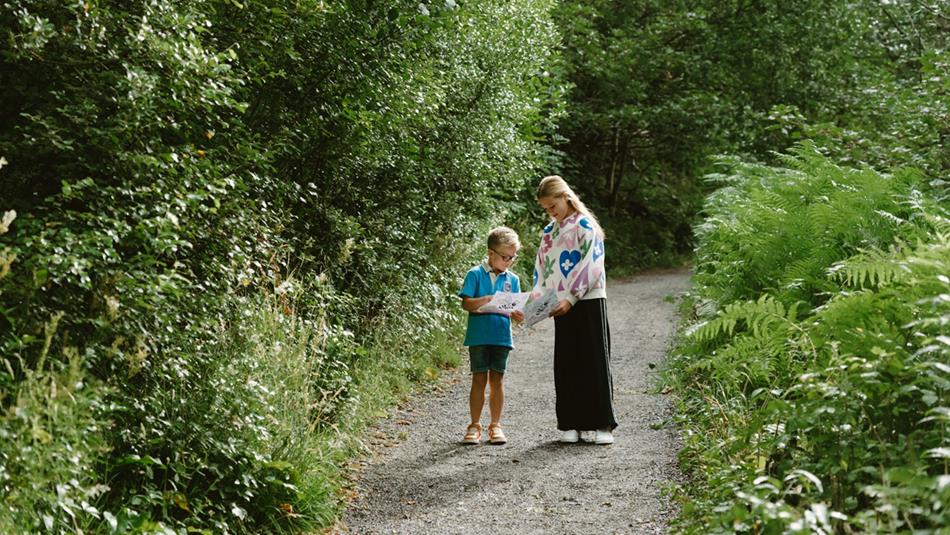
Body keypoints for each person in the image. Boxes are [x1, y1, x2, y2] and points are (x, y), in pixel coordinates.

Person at [533, 175, 617, 445]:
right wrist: (537, 304)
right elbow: (542, 270)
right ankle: (571, 422)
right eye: (545, 208)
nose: (550, 211)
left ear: (564, 196)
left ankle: (601, 423)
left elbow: (593, 263)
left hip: (588, 298)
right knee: (567, 362)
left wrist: (572, 296)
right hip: (560, 304)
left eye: (552, 205)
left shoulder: (586, 225)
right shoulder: (549, 232)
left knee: (593, 360)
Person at [458, 226, 524, 445]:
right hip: (478, 335)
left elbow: (513, 308)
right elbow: (466, 303)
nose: (509, 261)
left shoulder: (512, 279)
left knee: (497, 379)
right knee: (478, 378)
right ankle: (474, 425)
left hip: (501, 336)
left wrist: (518, 314)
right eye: (505, 257)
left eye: (512, 257)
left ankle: (495, 425)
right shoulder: (475, 274)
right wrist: (486, 299)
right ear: (490, 253)